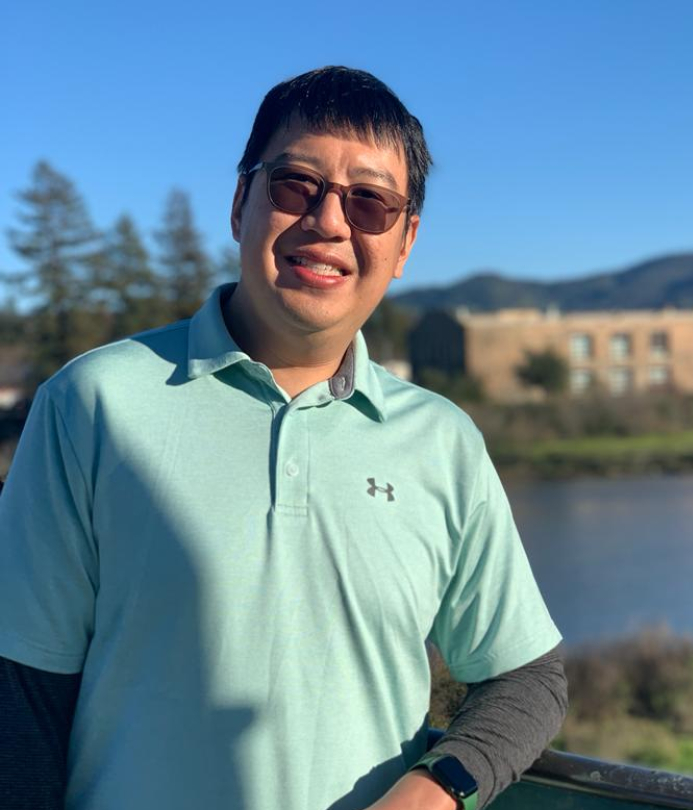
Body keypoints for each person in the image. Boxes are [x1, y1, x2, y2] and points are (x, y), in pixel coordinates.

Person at [0, 67, 567, 810]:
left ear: (405, 244)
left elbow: (528, 678)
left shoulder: (442, 441)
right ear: (241, 202)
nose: (330, 222)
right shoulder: (91, 405)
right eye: (297, 185)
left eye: (371, 202)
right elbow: (21, 700)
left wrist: (438, 789)